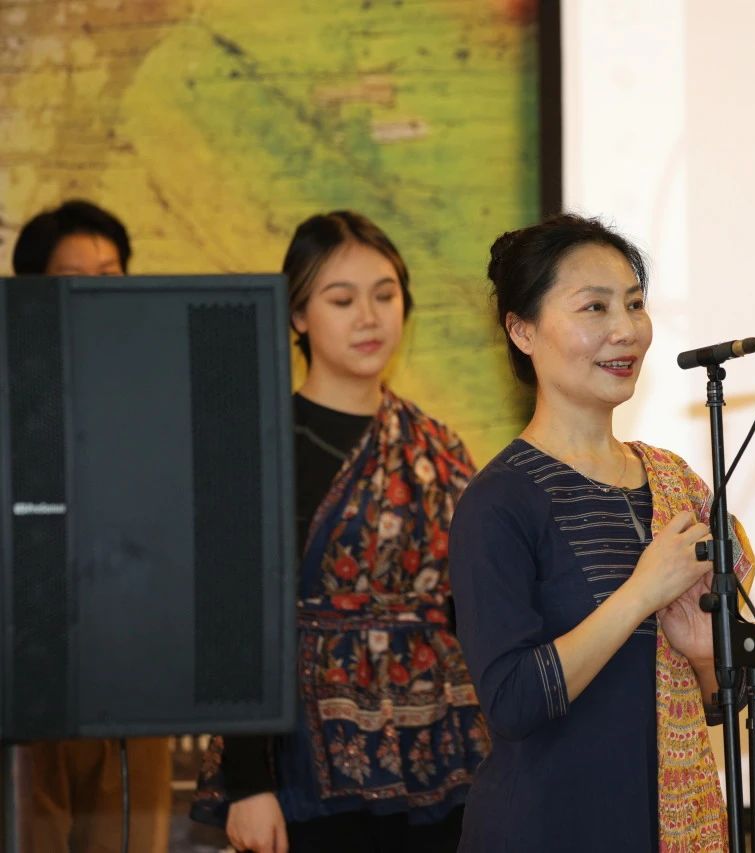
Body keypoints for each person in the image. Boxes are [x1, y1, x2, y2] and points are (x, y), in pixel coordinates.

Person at [447, 213, 755, 851]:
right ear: (523, 331)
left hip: (665, 826)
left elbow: (720, 709)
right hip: (546, 829)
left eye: (635, 304)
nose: (626, 329)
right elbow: (512, 702)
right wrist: (641, 594)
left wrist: (705, 658)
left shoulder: (676, 485)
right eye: (594, 307)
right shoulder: (499, 501)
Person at [191, 211, 488, 852]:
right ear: (298, 315)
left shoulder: (437, 447)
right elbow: (233, 617)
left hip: (440, 754)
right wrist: (248, 784)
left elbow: (472, 604)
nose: (369, 317)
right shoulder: (261, 445)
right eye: (342, 299)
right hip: (305, 763)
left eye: (385, 295)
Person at [11, 199, 172, 853]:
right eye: (74, 277)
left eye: (111, 275)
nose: (97, 293)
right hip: (26, 677)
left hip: (134, 670)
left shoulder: (160, 389)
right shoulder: (12, 389)